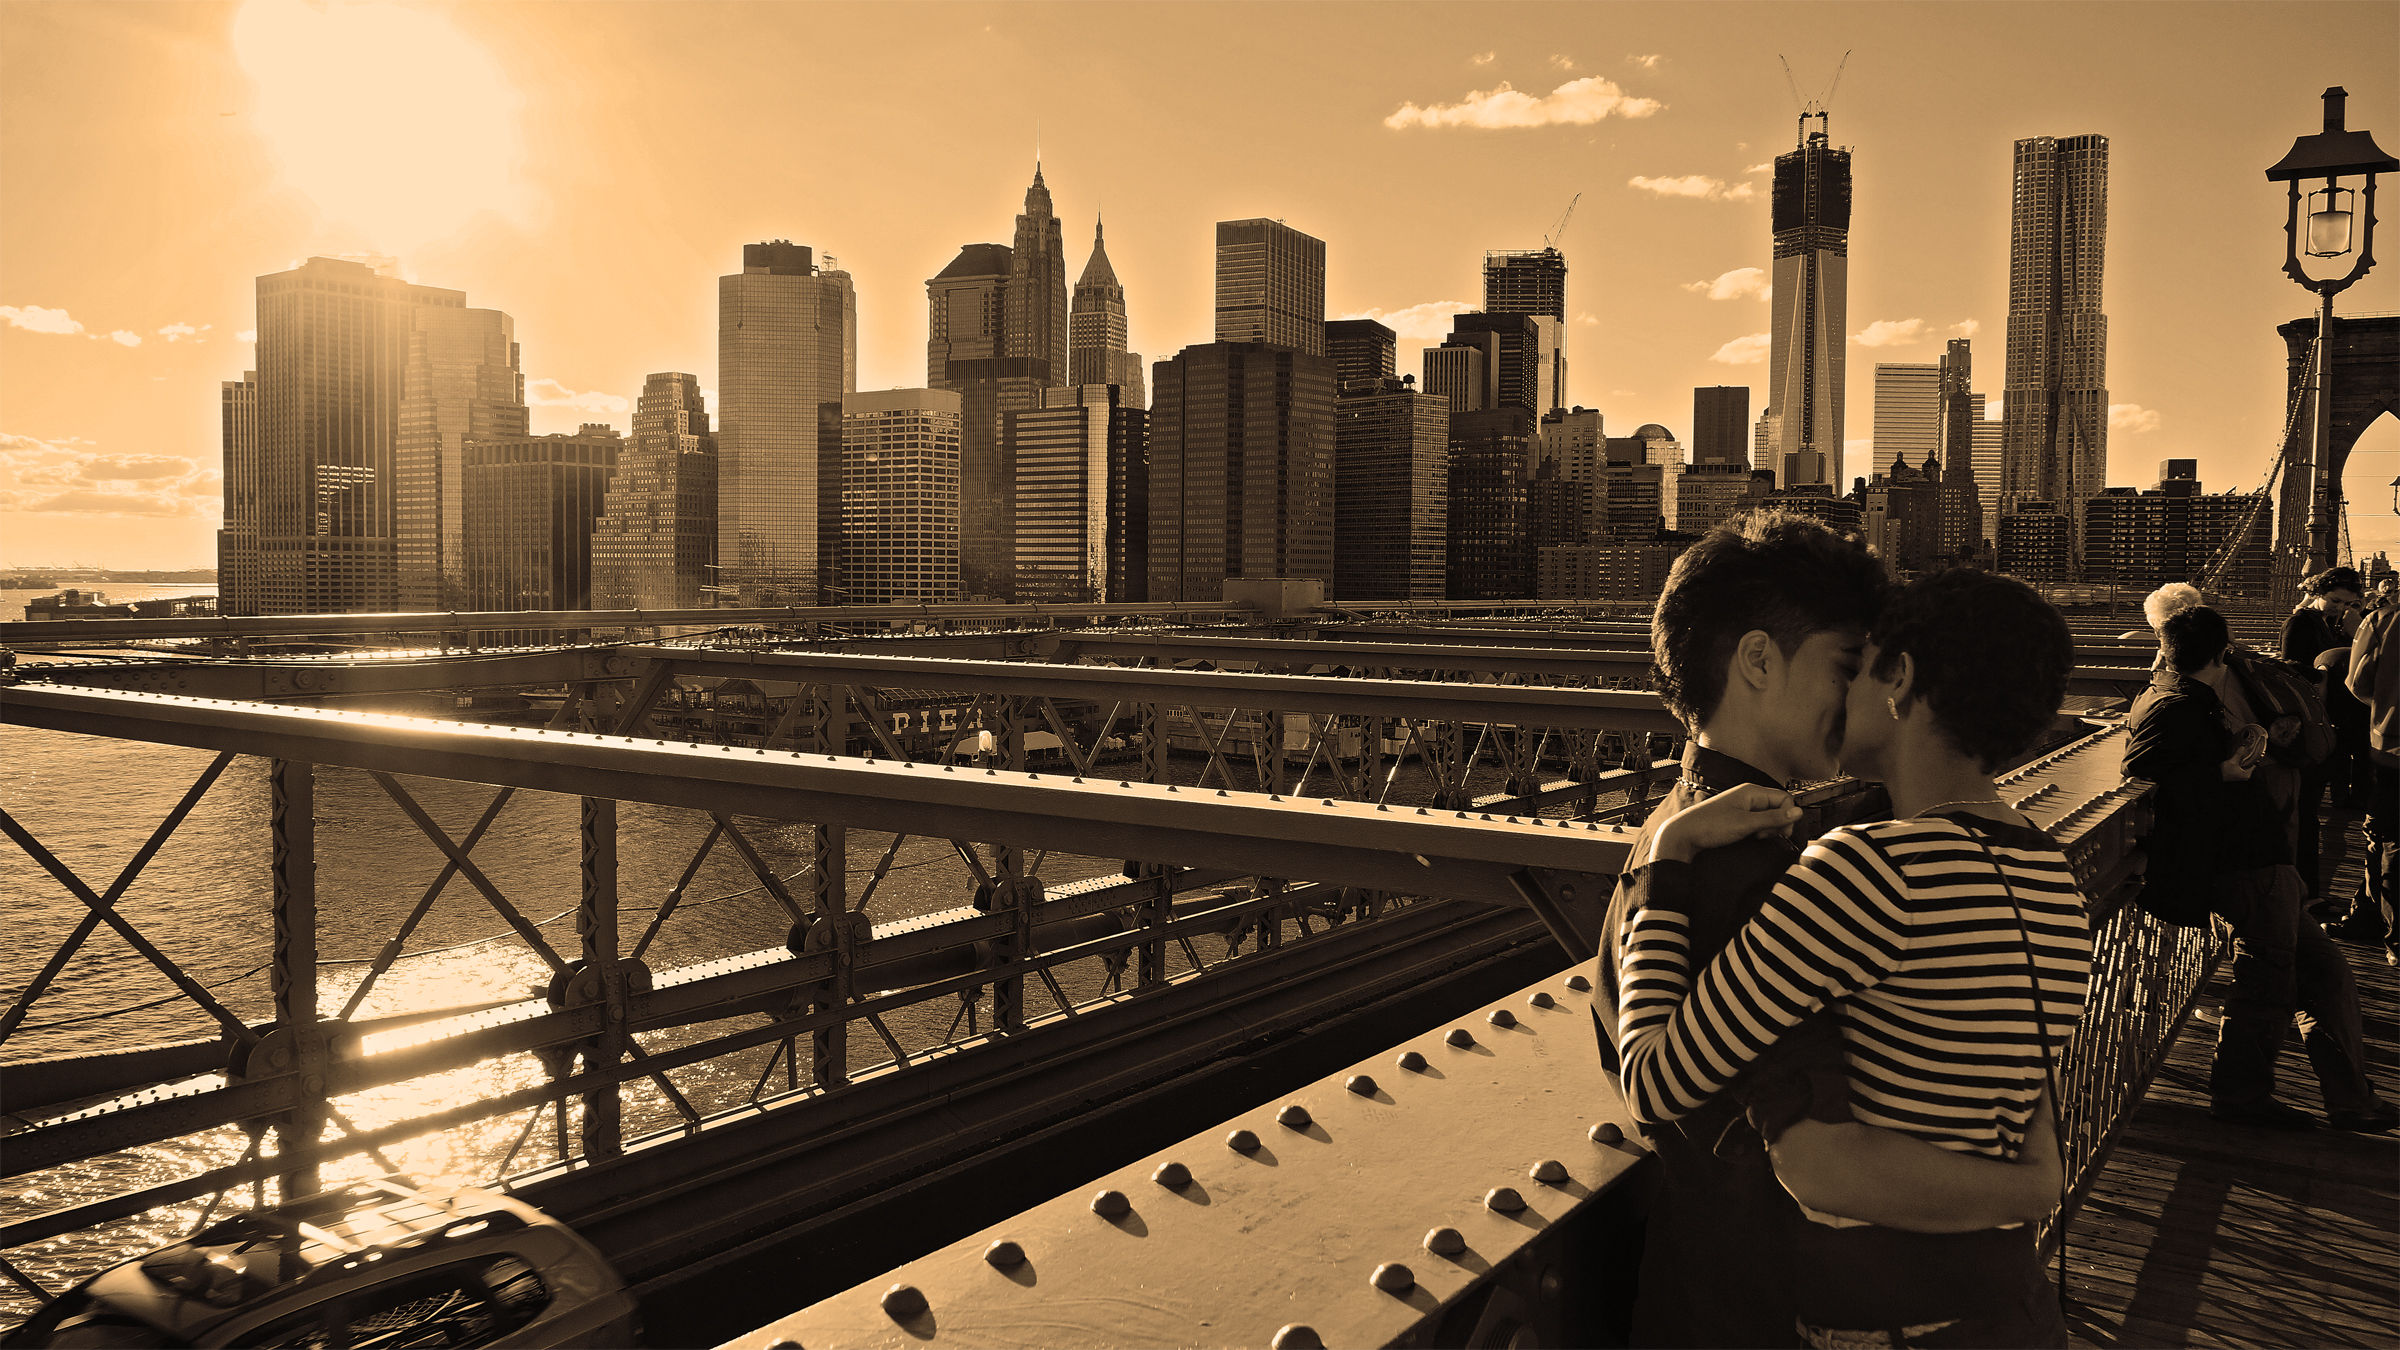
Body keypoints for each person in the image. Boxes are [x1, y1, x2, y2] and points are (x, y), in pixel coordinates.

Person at [1596, 519, 2059, 1348]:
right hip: (1801, 1310)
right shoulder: (1752, 867)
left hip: (1760, 1307)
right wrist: (2030, 1188)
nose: (1853, 700)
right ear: (1758, 660)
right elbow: (1817, 1158)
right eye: (1845, 667)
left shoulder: (1690, 841)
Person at [2124, 605, 2395, 1131]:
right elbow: (2145, 777)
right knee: (2267, 983)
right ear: (2223, 651)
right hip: (2245, 866)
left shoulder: (2172, 696)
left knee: (2320, 971)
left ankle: (2349, 1098)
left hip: (2260, 863)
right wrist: (2220, 771)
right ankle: (2243, 1097)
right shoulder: (2176, 705)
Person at [2339, 597, 2400, 963]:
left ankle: (2389, 934)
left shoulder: (2385, 619)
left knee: (2389, 838)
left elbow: (2358, 682)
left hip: (2392, 748)